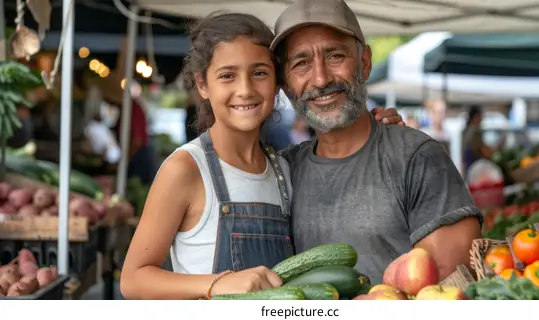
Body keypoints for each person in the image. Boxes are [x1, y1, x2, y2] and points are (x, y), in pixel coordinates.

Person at [120, 12, 403, 300]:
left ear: (278, 81)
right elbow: (133, 279)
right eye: (227, 76)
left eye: (259, 73)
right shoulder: (187, 169)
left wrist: (379, 132)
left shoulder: (285, 167)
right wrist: (216, 283)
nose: (245, 90)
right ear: (203, 85)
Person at [272, 0, 482, 283]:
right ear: (285, 85)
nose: (320, 79)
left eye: (335, 56)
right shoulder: (280, 172)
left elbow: (450, 289)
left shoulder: (416, 157)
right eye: (301, 63)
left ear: (365, 62)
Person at [462, 105, 494, 174]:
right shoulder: (475, 131)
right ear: (476, 116)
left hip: (469, 168)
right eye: (480, 116)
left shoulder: (466, 130)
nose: (481, 119)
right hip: (474, 167)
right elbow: (484, 150)